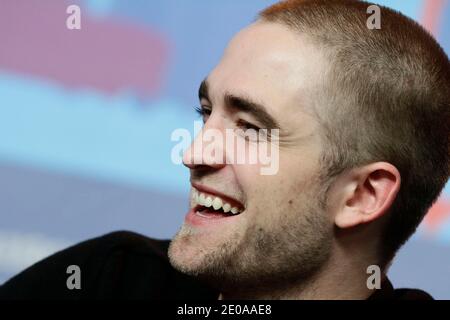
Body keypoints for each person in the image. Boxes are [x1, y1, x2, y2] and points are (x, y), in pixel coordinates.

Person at [1, 0, 448, 300]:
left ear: (361, 196)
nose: (194, 153)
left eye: (250, 128)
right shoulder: (107, 281)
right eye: (205, 112)